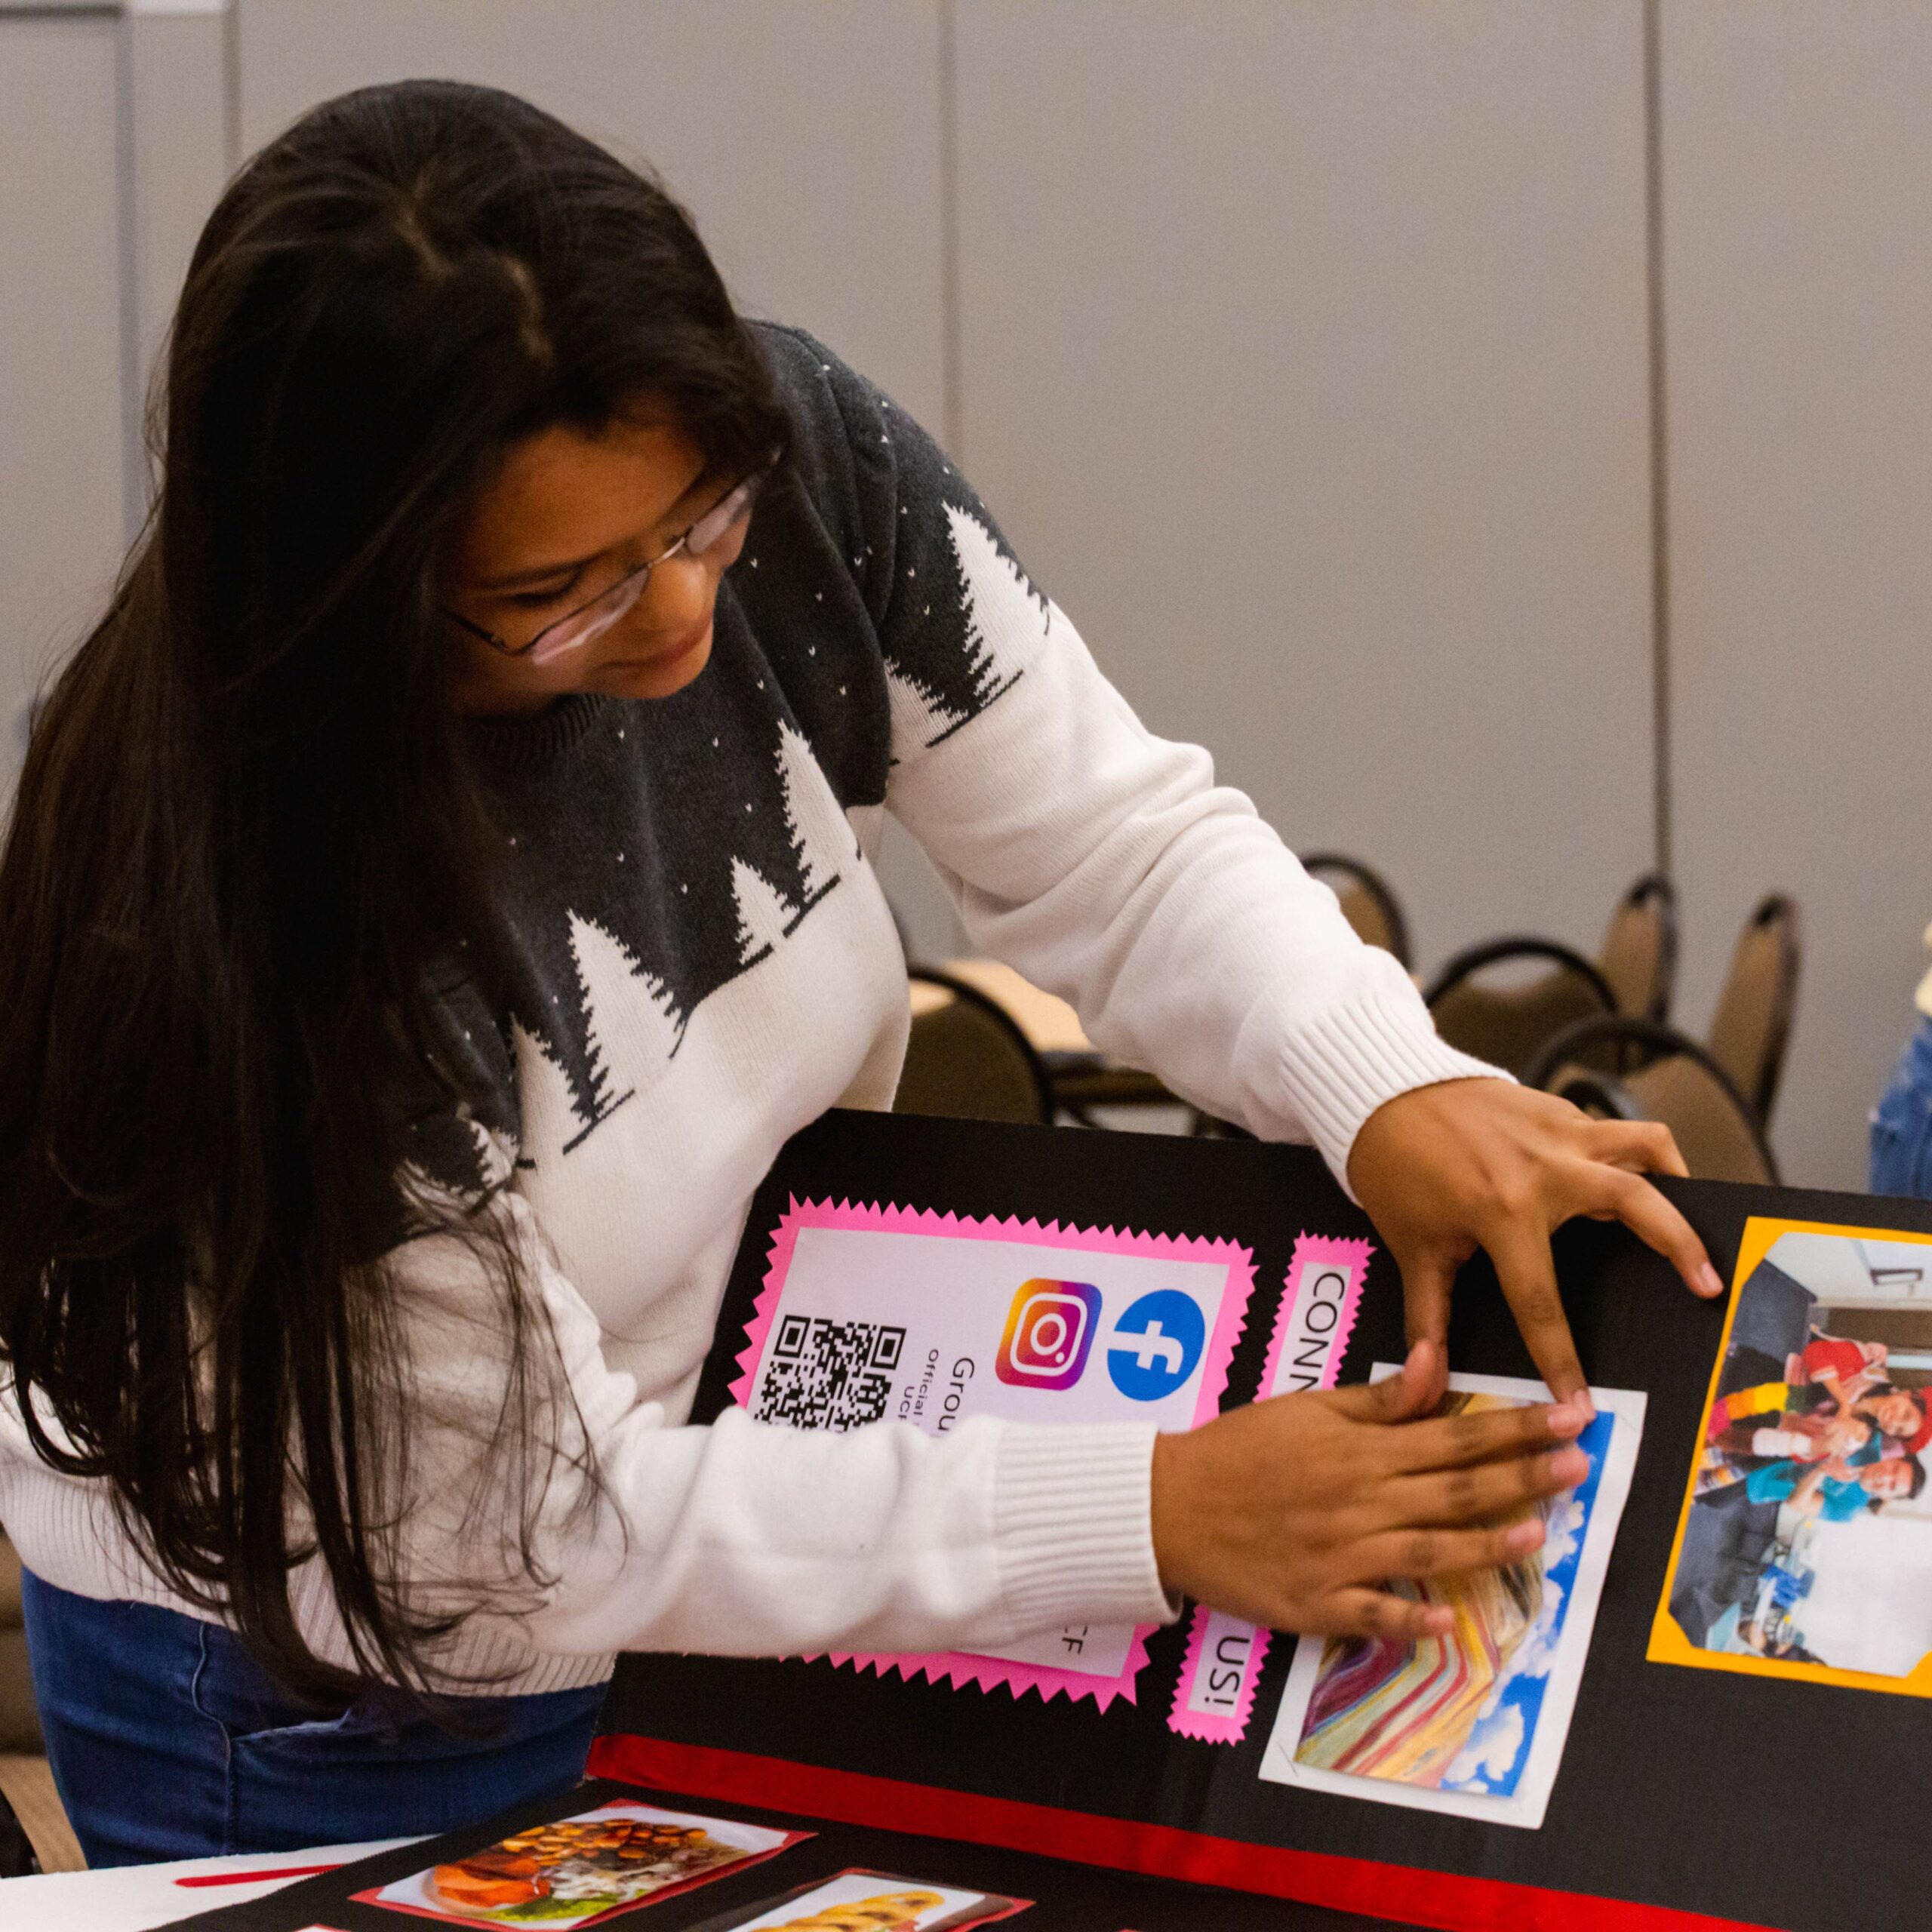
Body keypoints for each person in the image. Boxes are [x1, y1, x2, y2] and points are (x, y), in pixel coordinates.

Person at [0, 82, 1719, 1863]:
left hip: (717, 1506)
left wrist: (1383, 1079)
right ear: (351, 586)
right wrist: (1148, 1511)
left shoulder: (793, 455)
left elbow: (1105, 843)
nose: (676, 618)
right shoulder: (286, 887)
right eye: (564, 591)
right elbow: (529, 1523)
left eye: (699, 520)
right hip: (344, 1680)